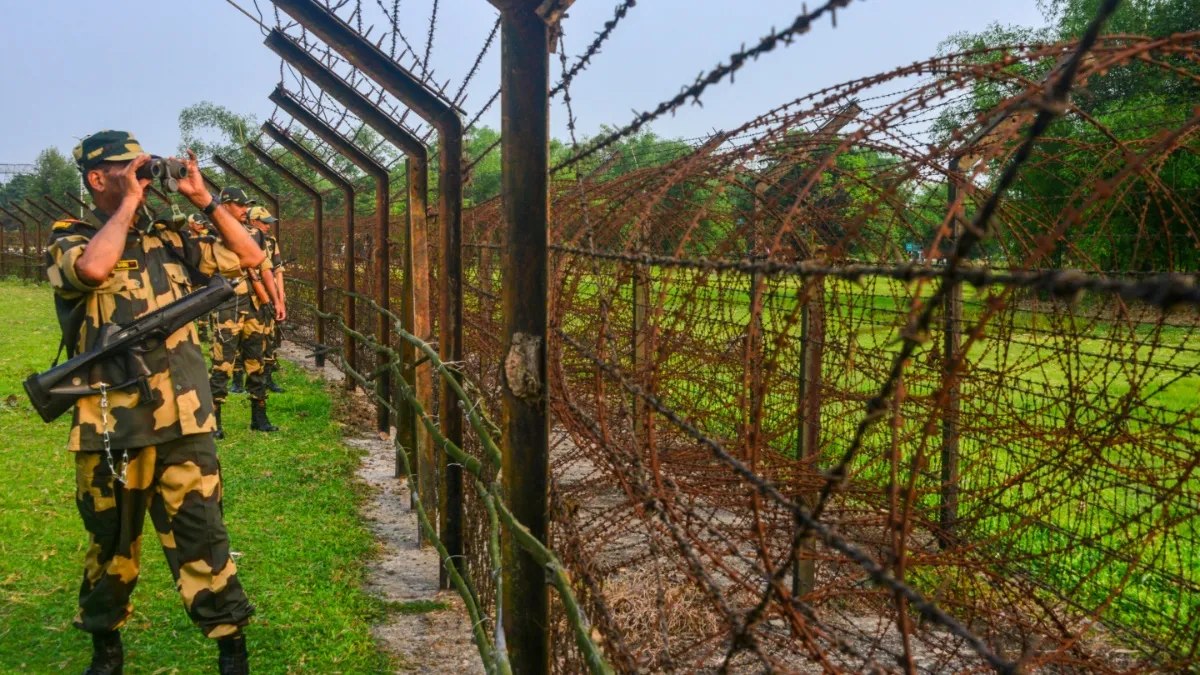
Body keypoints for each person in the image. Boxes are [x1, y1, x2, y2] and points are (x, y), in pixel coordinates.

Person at [45, 131, 260, 674]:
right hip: (111, 424)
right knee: (112, 544)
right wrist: (129, 206)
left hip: (184, 416)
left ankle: (231, 648)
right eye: (127, 168)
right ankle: (105, 645)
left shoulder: (172, 235)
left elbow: (250, 255)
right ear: (97, 179)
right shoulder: (72, 237)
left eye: (143, 166)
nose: (141, 173)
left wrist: (203, 200)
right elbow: (93, 272)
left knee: (204, 536)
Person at [204, 187, 285, 437]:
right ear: (225, 205)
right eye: (239, 205)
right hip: (227, 307)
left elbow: (266, 268)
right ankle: (214, 422)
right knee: (222, 365)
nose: (244, 210)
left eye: (245, 206)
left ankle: (259, 417)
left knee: (257, 362)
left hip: (255, 307)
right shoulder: (210, 236)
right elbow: (206, 272)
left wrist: (276, 300)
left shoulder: (255, 234)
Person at [246, 206, 286, 393]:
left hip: (268, 294)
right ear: (253, 221)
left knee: (269, 335)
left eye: (269, 222)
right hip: (248, 294)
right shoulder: (242, 238)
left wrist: (280, 297)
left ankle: (267, 378)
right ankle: (240, 379)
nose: (268, 226)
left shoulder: (271, 242)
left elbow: (277, 270)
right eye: (264, 222)